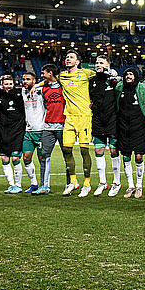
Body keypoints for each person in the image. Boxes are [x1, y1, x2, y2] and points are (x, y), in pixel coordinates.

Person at [57, 50, 96, 196]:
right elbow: (49, 80)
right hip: (69, 118)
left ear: (77, 62)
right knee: (66, 150)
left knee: (84, 150)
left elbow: (101, 73)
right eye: (67, 57)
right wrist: (37, 85)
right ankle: (73, 182)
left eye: (71, 57)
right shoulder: (61, 76)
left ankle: (87, 183)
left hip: (84, 117)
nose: (68, 59)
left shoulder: (86, 73)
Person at [34, 63, 68, 195]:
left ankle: (69, 184)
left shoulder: (64, 87)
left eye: (43, 73)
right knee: (44, 156)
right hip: (48, 127)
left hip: (64, 126)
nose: (41, 76)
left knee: (67, 157)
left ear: (50, 73)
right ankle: (44, 186)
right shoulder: (43, 89)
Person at [90, 55, 121, 196]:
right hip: (97, 120)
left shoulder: (113, 80)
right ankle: (102, 182)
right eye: (96, 62)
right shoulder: (92, 81)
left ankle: (117, 182)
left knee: (114, 151)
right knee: (98, 151)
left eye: (101, 63)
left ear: (108, 65)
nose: (98, 64)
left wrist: (116, 77)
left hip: (112, 120)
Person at [115, 68, 145, 198]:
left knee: (139, 156)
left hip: (139, 127)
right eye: (126, 74)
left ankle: (139, 185)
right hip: (123, 127)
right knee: (126, 156)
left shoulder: (142, 89)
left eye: (131, 74)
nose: (128, 77)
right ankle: (130, 185)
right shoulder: (120, 89)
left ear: (136, 76)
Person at [0, 74, 26, 194]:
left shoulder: (19, 95)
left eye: (10, 84)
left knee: (15, 158)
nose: (9, 86)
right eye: (6, 84)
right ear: (2, 85)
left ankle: (18, 185)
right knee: (4, 158)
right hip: (4, 131)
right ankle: (11, 184)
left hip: (17, 130)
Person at [20, 72, 45, 193]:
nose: (25, 81)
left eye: (28, 79)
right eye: (24, 79)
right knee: (26, 157)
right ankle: (34, 183)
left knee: (42, 159)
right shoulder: (22, 92)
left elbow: (50, 82)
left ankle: (44, 184)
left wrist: (38, 86)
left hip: (41, 130)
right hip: (28, 131)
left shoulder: (41, 91)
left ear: (34, 81)